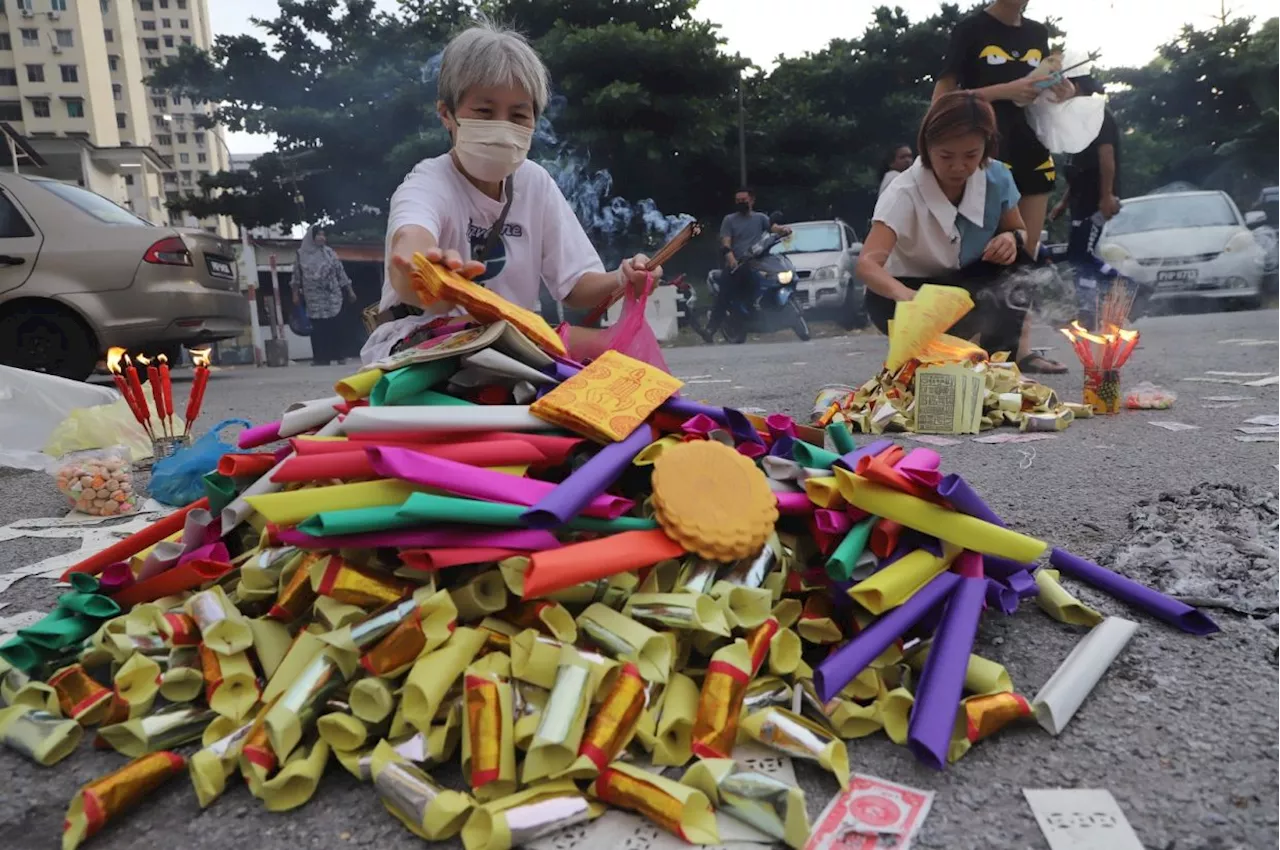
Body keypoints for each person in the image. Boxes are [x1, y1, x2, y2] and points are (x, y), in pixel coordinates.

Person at [366, 19, 658, 365]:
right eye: (485, 112)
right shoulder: (428, 183)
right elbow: (410, 244)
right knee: (570, 346)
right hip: (424, 346)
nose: (502, 128)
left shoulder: (535, 183)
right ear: (447, 113)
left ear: (535, 121)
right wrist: (424, 273)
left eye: (518, 115)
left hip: (515, 342)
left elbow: (577, 285)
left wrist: (623, 278)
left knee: (616, 354)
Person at [856, 91, 1067, 373]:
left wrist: (1010, 238)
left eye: (971, 155)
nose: (958, 167)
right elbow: (868, 264)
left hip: (964, 288)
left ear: (986, 148)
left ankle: (1001, 364)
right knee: (928, 366)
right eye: (946, 156)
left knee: (1017, 264)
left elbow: (1018, 230)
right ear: (928, 147)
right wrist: (907, 296)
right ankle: (927, 358)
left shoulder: (997, 177)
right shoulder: (902, 192)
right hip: (907, 296)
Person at [933, 0, 1076, 261]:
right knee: (986, 257)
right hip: (985, 154)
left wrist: (1063, 90)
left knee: (1026, 258)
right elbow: (941, 101)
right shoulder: (970, 29)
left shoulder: (1037, 33)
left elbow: (1038, 91)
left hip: (1032, 149)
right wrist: (1003, 91)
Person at [1049, 75, 1122, 330]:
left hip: (1095, 198)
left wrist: (1106, 195)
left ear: (1076, 86)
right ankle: (1087, 309)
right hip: (1080, 198)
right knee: (1077, 255)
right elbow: (1077, 167)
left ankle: (1125, 288)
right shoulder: (1078, 118)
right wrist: (1063, 202)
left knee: (1082, 254)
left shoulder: (1098, 114)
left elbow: (1106, 157)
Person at [698, 187, 790, 342]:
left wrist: (784, 230)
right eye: (738, 201)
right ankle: (710, 329)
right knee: (724, 294)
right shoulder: (729, 220)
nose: (741, 203)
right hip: (737, 264)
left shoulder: (760, 218)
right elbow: (725, 242)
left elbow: (773, 228)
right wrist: (731, 259)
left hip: (758, 262)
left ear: (752, 200)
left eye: (744, 200)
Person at [293, 225, 357, 366]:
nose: (322, 237)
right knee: (318, 329)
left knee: (336, 326)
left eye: (323, 235)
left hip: (332, 296)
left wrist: (350, 290)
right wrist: (295, 294)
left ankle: (340, 355)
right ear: (311, 237)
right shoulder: (301, 254)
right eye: (318, 235)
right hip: (313, 298)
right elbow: (297, 276)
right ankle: (321, 358)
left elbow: (341, 272)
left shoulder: (330, 253)